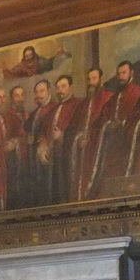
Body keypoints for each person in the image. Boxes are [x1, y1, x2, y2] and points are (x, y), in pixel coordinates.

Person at [92, 61, 140, 190]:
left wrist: (123, 125)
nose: (120, 76)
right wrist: (108, 125)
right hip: (113, 148)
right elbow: (103, 116)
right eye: (118, 74)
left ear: (131, 73)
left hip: (130, 144)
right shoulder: (115, 97)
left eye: (123, 73)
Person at [68, 68, 114, 201]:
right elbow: (74, 127)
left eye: (94, 78)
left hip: (101, 151)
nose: (91, 82)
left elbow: (109, 125)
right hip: (83, 153)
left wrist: (91, 138)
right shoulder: (83, 104)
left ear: (101, 80)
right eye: (89, 79)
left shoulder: (109, 98)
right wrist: (78, 138)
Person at [45, 75, 81, 204]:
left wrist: (63, 135)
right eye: (58, 87)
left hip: (69, 155)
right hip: (53, 158)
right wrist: (43, 146)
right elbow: (45, 131)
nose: (60, 90)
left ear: (71, 87)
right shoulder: (54, 109)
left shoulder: (79, 105)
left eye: (63, 86)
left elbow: (80, 128)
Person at [22, 80, 57, 208]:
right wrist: (27, 138)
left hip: (47, 157)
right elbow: (27, 130)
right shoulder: (35, 113)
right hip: (33, 159)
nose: (39, 95)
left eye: (42, 91)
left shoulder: (54, 109)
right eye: (36, 92)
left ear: (49, 91)